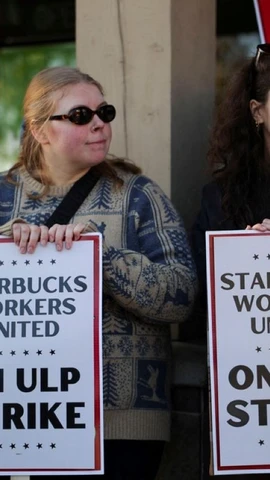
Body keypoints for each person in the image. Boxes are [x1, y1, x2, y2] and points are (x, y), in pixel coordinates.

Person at [0, 66, 197, 480]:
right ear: (39, 130)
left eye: (103, 112)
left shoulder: (140, 195)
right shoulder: (2, 198)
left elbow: (181, 295)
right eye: (79, 116)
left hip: (122, 424)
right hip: (21, 415)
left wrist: (100, 259)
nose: (98, 125)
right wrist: (7, 251)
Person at [192, 43, 270, 480]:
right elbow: (198, 297)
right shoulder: (220, 197)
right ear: (257, 112)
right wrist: (243, 255)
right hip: (247, 391)